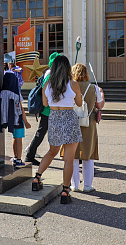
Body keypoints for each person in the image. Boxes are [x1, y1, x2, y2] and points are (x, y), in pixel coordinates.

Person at [32, 55, 83, 204]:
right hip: (69, 119)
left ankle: (37, 178)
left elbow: (45, 103)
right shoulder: (73, 84)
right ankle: (66, 191)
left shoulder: (47, 84)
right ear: (67, 68)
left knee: (51, 152)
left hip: (54, 118)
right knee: (68, 159)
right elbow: (79, 104)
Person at [66, 63, 105, 192]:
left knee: (73, 155)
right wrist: (101, 93)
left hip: (72, 122)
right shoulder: (93, 88)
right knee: (88, 156)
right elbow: (99, 105)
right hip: (89, 123)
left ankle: (74, 185)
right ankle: (87, 185)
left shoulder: (69, 87)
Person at [25, 52, 60, 165]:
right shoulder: (50, 75)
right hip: (48, 110)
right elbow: (45, 91)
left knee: (43, 133)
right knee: (41, 133)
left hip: (51, 110)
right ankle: (29, 155)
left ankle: (30, 155)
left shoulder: (53, 74)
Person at [0, 72, 31, 168]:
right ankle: (18, 159)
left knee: (14, 138)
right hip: (17, 119)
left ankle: (14, 157)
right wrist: (26, 122)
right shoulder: (16, 94)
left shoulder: (2, 92)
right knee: (19, 139)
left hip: (8, 119)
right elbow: (21, 109)